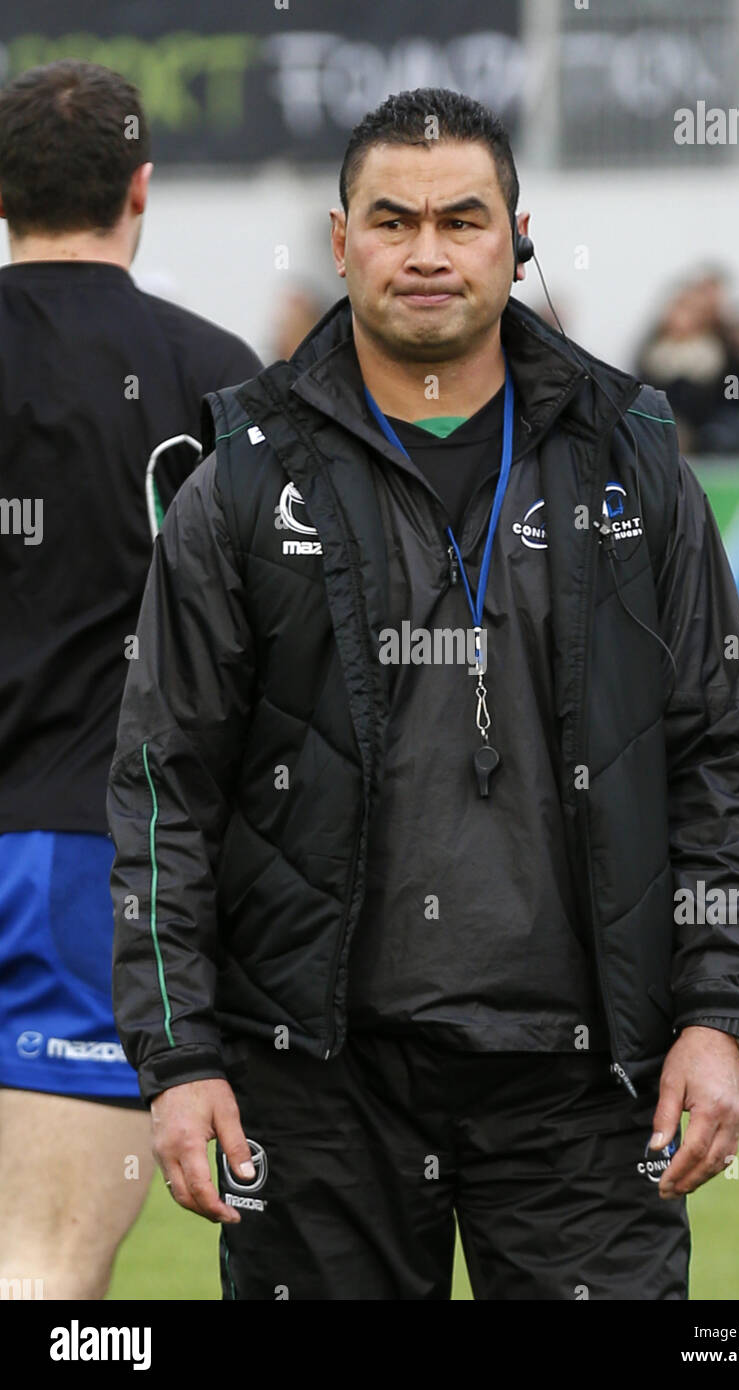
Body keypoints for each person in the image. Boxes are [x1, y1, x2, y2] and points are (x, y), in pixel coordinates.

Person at [108, 88, 739, 1301]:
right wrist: (179, 1056)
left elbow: (720, 752)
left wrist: (712, 1015)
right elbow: (165, 786)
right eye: (392, 220)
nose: (426, 251)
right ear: (339, 240)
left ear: (516, 235)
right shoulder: (243, 478)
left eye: (462, 219)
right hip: (316, 1088)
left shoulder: (630, 458)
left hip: (589, 1084)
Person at [0, 60, 262, 1299]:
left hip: (58, 845)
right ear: (141, 189)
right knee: (45, 1271)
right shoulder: (211, 377)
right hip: (77, 856)